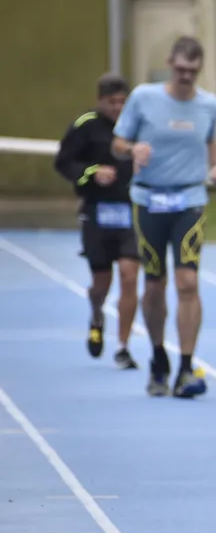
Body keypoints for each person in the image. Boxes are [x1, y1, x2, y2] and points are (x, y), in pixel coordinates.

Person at [111, 36, 216, 398]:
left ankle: (186, 366)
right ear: (169, 64)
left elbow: (210, 140)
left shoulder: (209, 105)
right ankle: (159, 357)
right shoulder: (144, 97)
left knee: (188, 283)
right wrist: (133, 148)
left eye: (192, 71)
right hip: (148, 200)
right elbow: (117, 142)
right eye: (179, 70)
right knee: (155, 284)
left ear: (199, 70)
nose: (185, 76)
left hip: (189, 200)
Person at [54, 73, 140, 370]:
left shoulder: (136, 127)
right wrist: (92, 171)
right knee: (101, 283)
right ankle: (96, 313)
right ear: (100, 101)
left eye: (122, 102)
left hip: (129, 211)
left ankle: (123, 346)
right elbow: (63, 162)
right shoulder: (85, 126)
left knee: (130, 275)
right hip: (96, 212)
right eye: (112, 102)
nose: (117, 108)